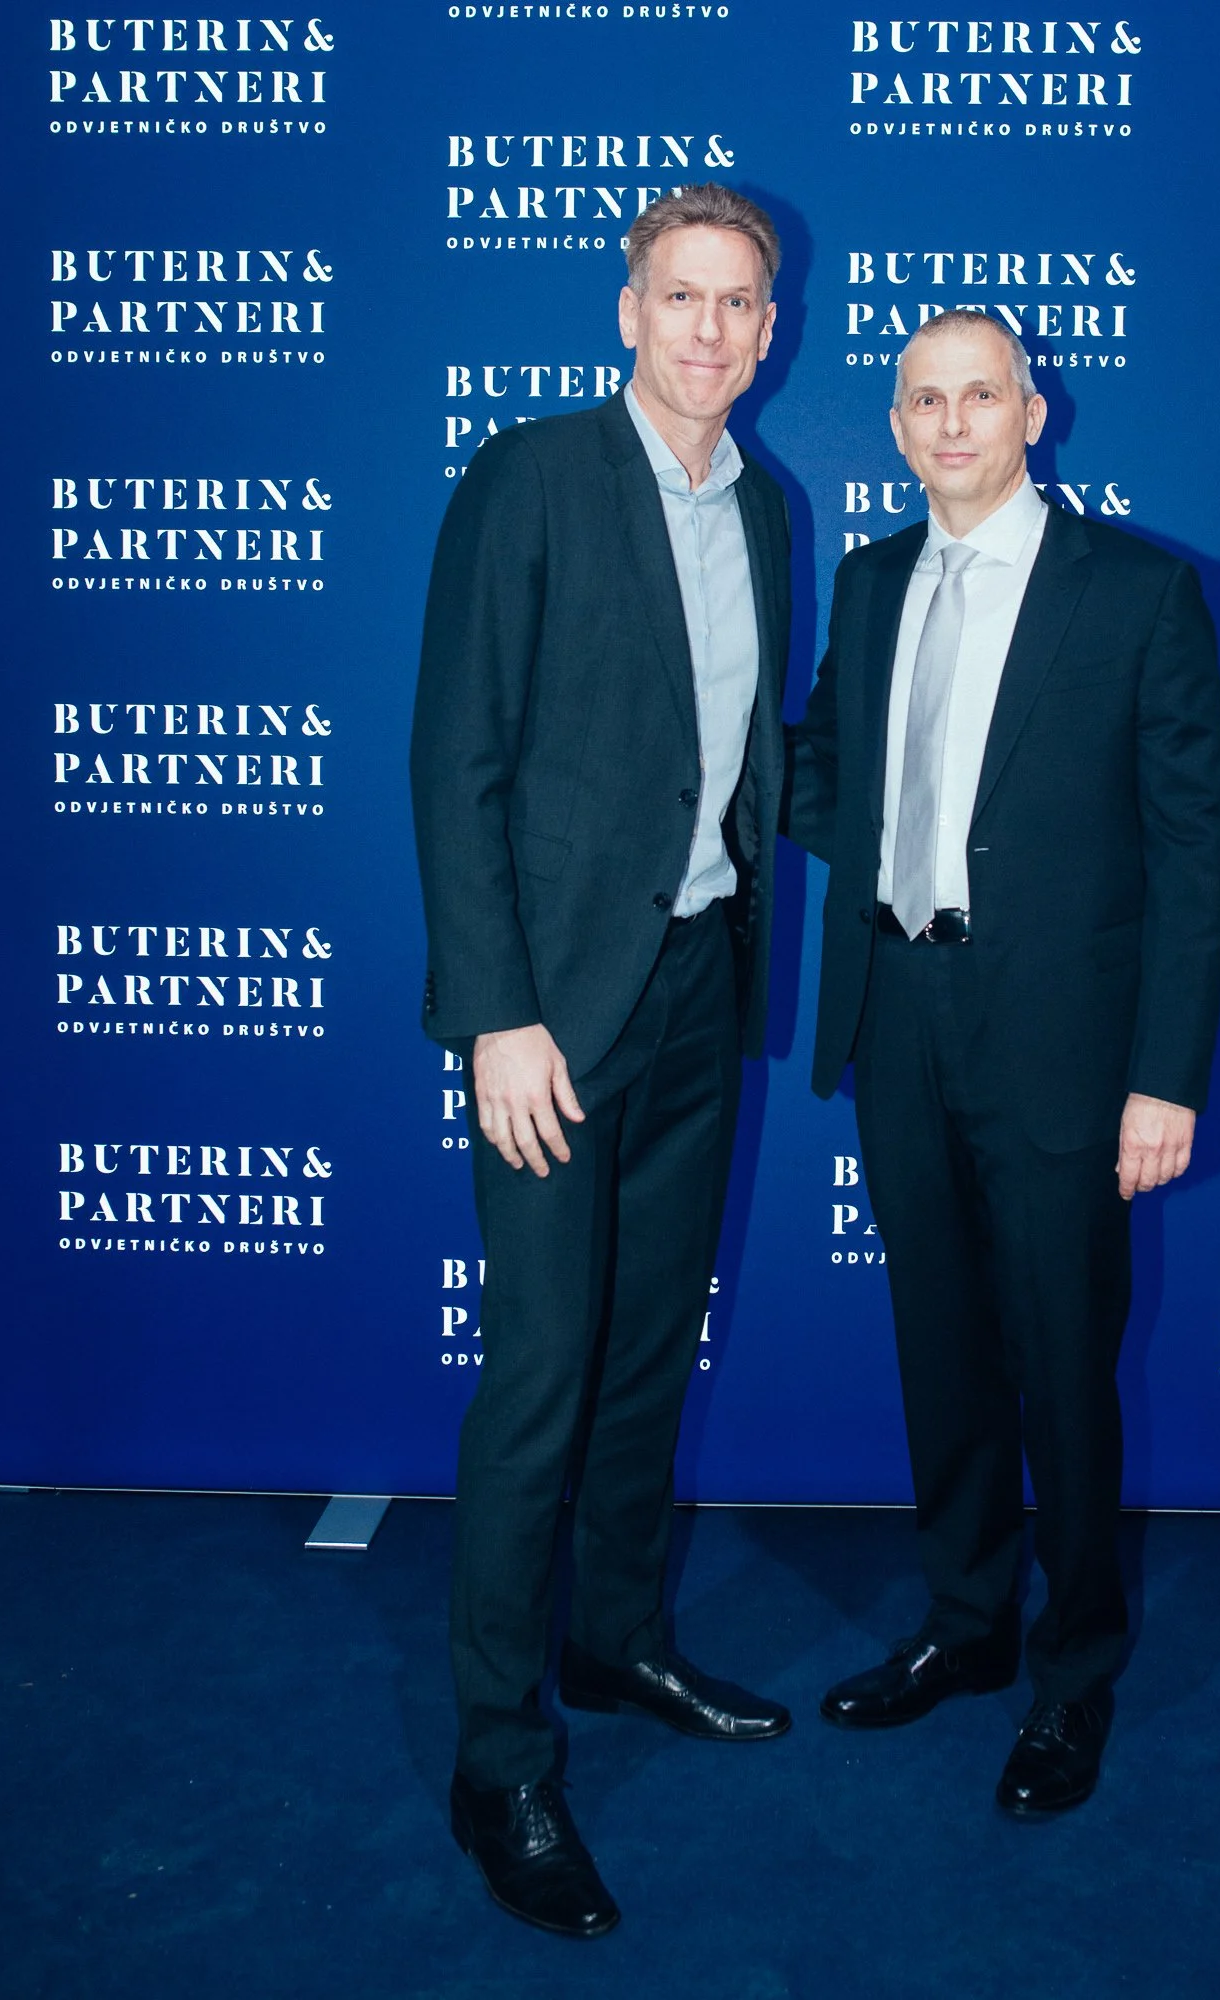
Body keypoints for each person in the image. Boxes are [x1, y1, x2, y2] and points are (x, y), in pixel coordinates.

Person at [784, 311, 1220, 1817]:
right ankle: (968, 1624)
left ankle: (1074, 1671)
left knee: (1063, 1362)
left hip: (1063, 1044)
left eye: (982, 395)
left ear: (1034, 413)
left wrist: (1165, 1076)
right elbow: (830, 774)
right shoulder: (870, 580)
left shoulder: (1142, 592)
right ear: (898, 426)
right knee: (944, 1348)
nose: (954, 423)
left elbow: (1192, 855)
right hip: (898, 1012)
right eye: (926, 400)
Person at [410, 183, 793, 1939]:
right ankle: (501, 1763)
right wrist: (496, 1014)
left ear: (768, 333)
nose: (708, 327)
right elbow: (458, 758)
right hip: (553, 1020)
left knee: (647, 1357)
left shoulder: (765, 507)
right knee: (543, 1375)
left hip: (702, 984)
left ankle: (618, 1638)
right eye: (680, 295)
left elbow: (742, 759)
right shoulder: (532, 477)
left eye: (737, 302)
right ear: (627, 311)